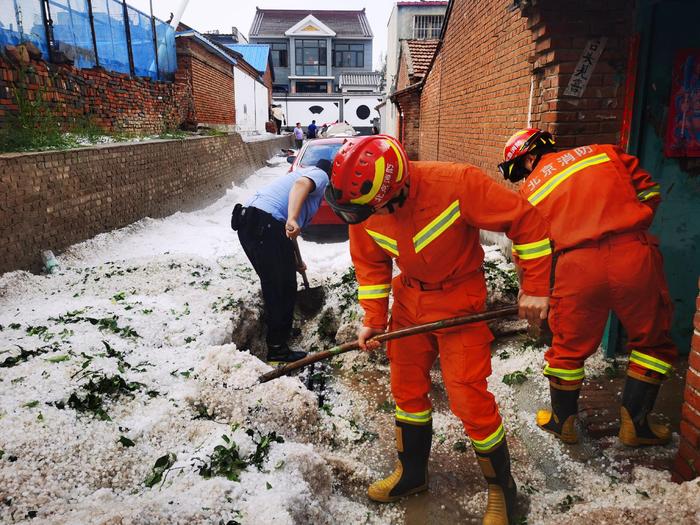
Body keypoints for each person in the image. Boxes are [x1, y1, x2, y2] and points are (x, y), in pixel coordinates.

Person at [325, 135, 552, 524]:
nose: (357, 216)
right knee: (407, 390)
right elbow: (371, 268)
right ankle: (412, 475)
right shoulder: (364, 208)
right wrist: (373, 320)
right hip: (410, 305)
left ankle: (501, 490)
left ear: (391, 190)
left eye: (365, 208)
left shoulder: (457, 183)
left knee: (467, 397)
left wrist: (535, 288)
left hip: (459, 302)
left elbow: (526, 222)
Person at [498, 128, 677, 448]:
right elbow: (649, 192)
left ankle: (562, 423)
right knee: (653, 343)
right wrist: (631, 225)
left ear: (528, 161)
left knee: (566, 349)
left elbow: (526, 250)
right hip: (633, 256)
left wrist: (533, 289)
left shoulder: (530, 193)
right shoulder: (605, 152)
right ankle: (635, 426)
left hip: (576, 267)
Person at [231, 159, 332, 363]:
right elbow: (300, 186)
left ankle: (279, 335)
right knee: (281, 288)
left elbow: (289, 233)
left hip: (249, 223)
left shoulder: (296, 176)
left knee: (277, 284)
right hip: (265, 224)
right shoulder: (319, 175)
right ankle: (277, 348)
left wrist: (295, 261)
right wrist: (293, 218)